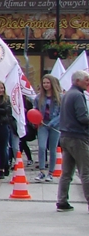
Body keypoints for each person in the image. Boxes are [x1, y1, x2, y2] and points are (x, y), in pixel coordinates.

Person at [56, 69, 89, 212]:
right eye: (86, 80)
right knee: (86, 172)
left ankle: (62, 201)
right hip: (77, 137)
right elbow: (83, 117)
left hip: (65, 136)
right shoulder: (78, 95)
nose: (88, 83)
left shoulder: (67, 94)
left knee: (66, 172)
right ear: (77, 81)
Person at [35, 74, 62, 182]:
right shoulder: (38, 97)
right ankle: (42, 171)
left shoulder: (60, 97)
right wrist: (37, 119)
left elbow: (62, 113)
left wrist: (53, 122)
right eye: (44, 83)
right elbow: (35, 110)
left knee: (53, 149)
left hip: (55, 125)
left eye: (48, 83)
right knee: (42, 147)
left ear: (52, 83)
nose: (46, 85)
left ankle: (51, 173)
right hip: (42, 124)